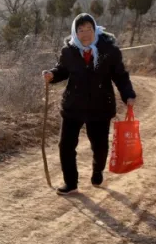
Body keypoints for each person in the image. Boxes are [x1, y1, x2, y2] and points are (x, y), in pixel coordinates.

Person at [43, 13, 136, 195]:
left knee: (99, 146)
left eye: (88, 29)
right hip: (73, 106)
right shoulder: (68, 51)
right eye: (80, 30)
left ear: (95, 29)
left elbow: (120, 76)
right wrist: (52, 75)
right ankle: (71, 183)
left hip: (99, 107)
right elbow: (62, 70)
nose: (85, 34)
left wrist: (128, 95)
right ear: (75, 32)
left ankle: (97, 170)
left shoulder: (109, 51)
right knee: (66, 146)